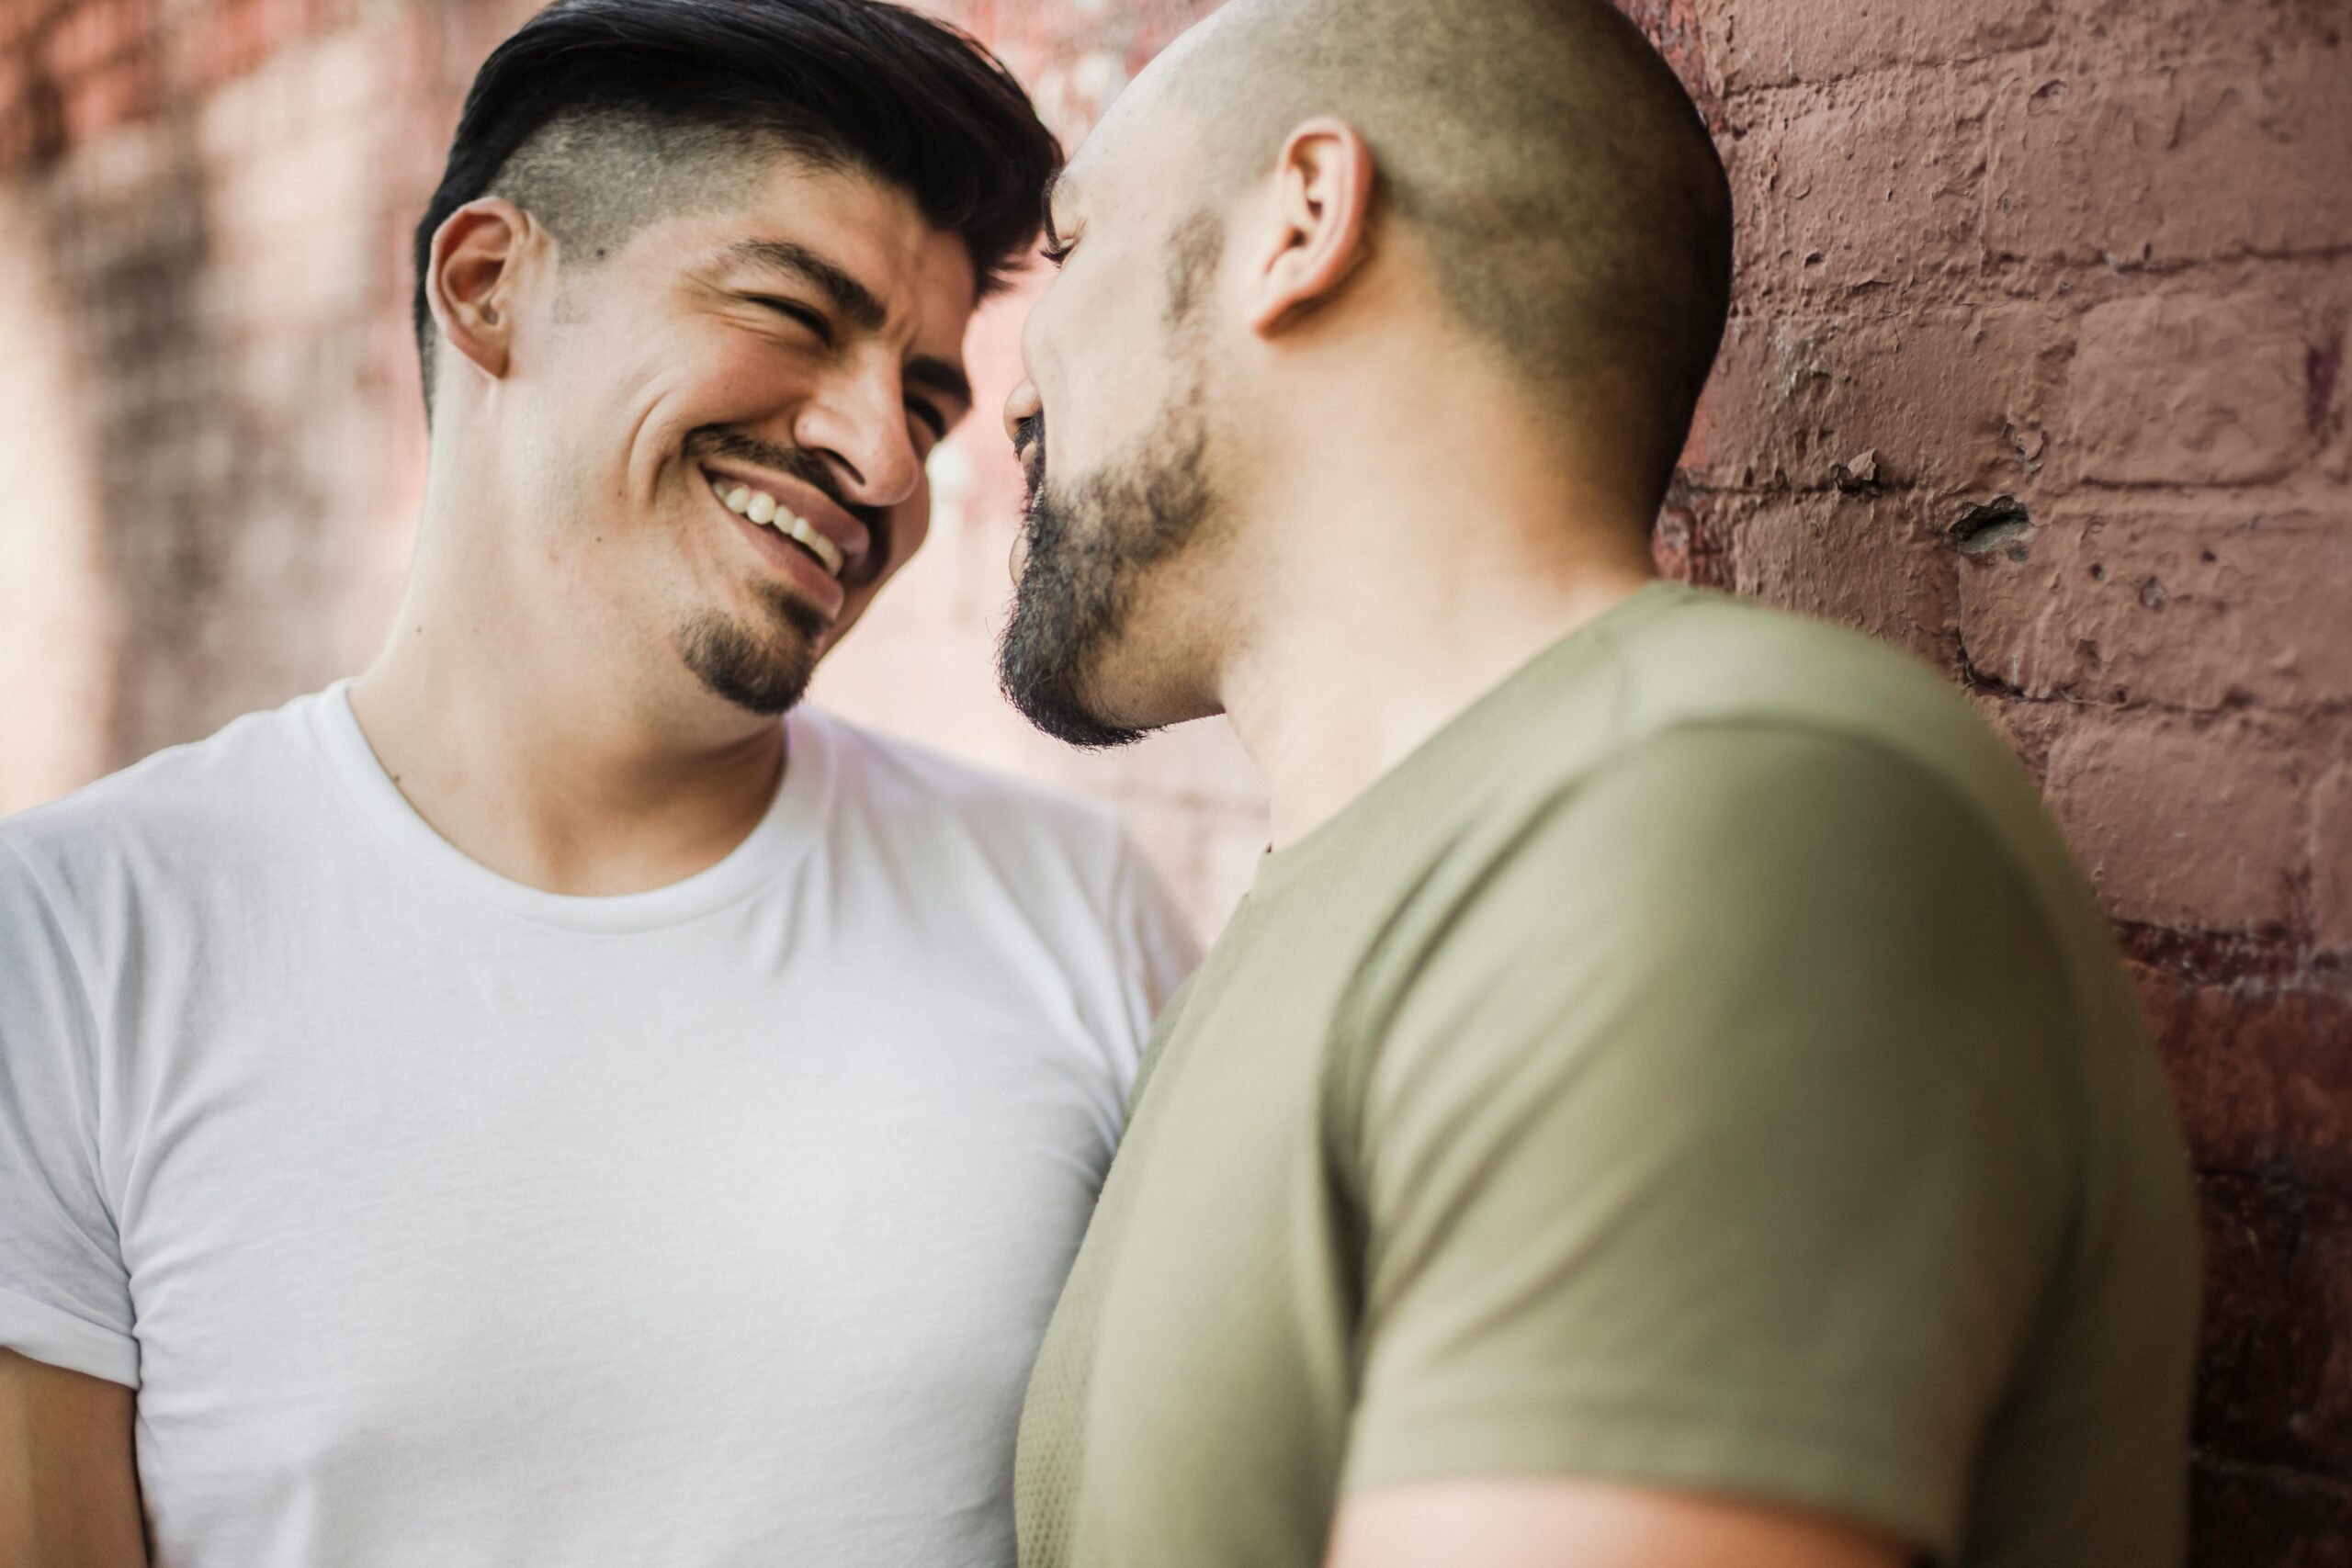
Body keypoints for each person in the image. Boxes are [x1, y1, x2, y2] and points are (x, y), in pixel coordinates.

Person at [996, 1, 2200, 1565]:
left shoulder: (1721, 819)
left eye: (1070, 250)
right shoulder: (1361, 890)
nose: (1013, 392)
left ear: (1298, 224)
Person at [0, 2, 1200, 1563]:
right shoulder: (76, 949)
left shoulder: (1071, 913)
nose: (885, 464)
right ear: (492, 286)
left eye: (921, 396)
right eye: (792, 311)